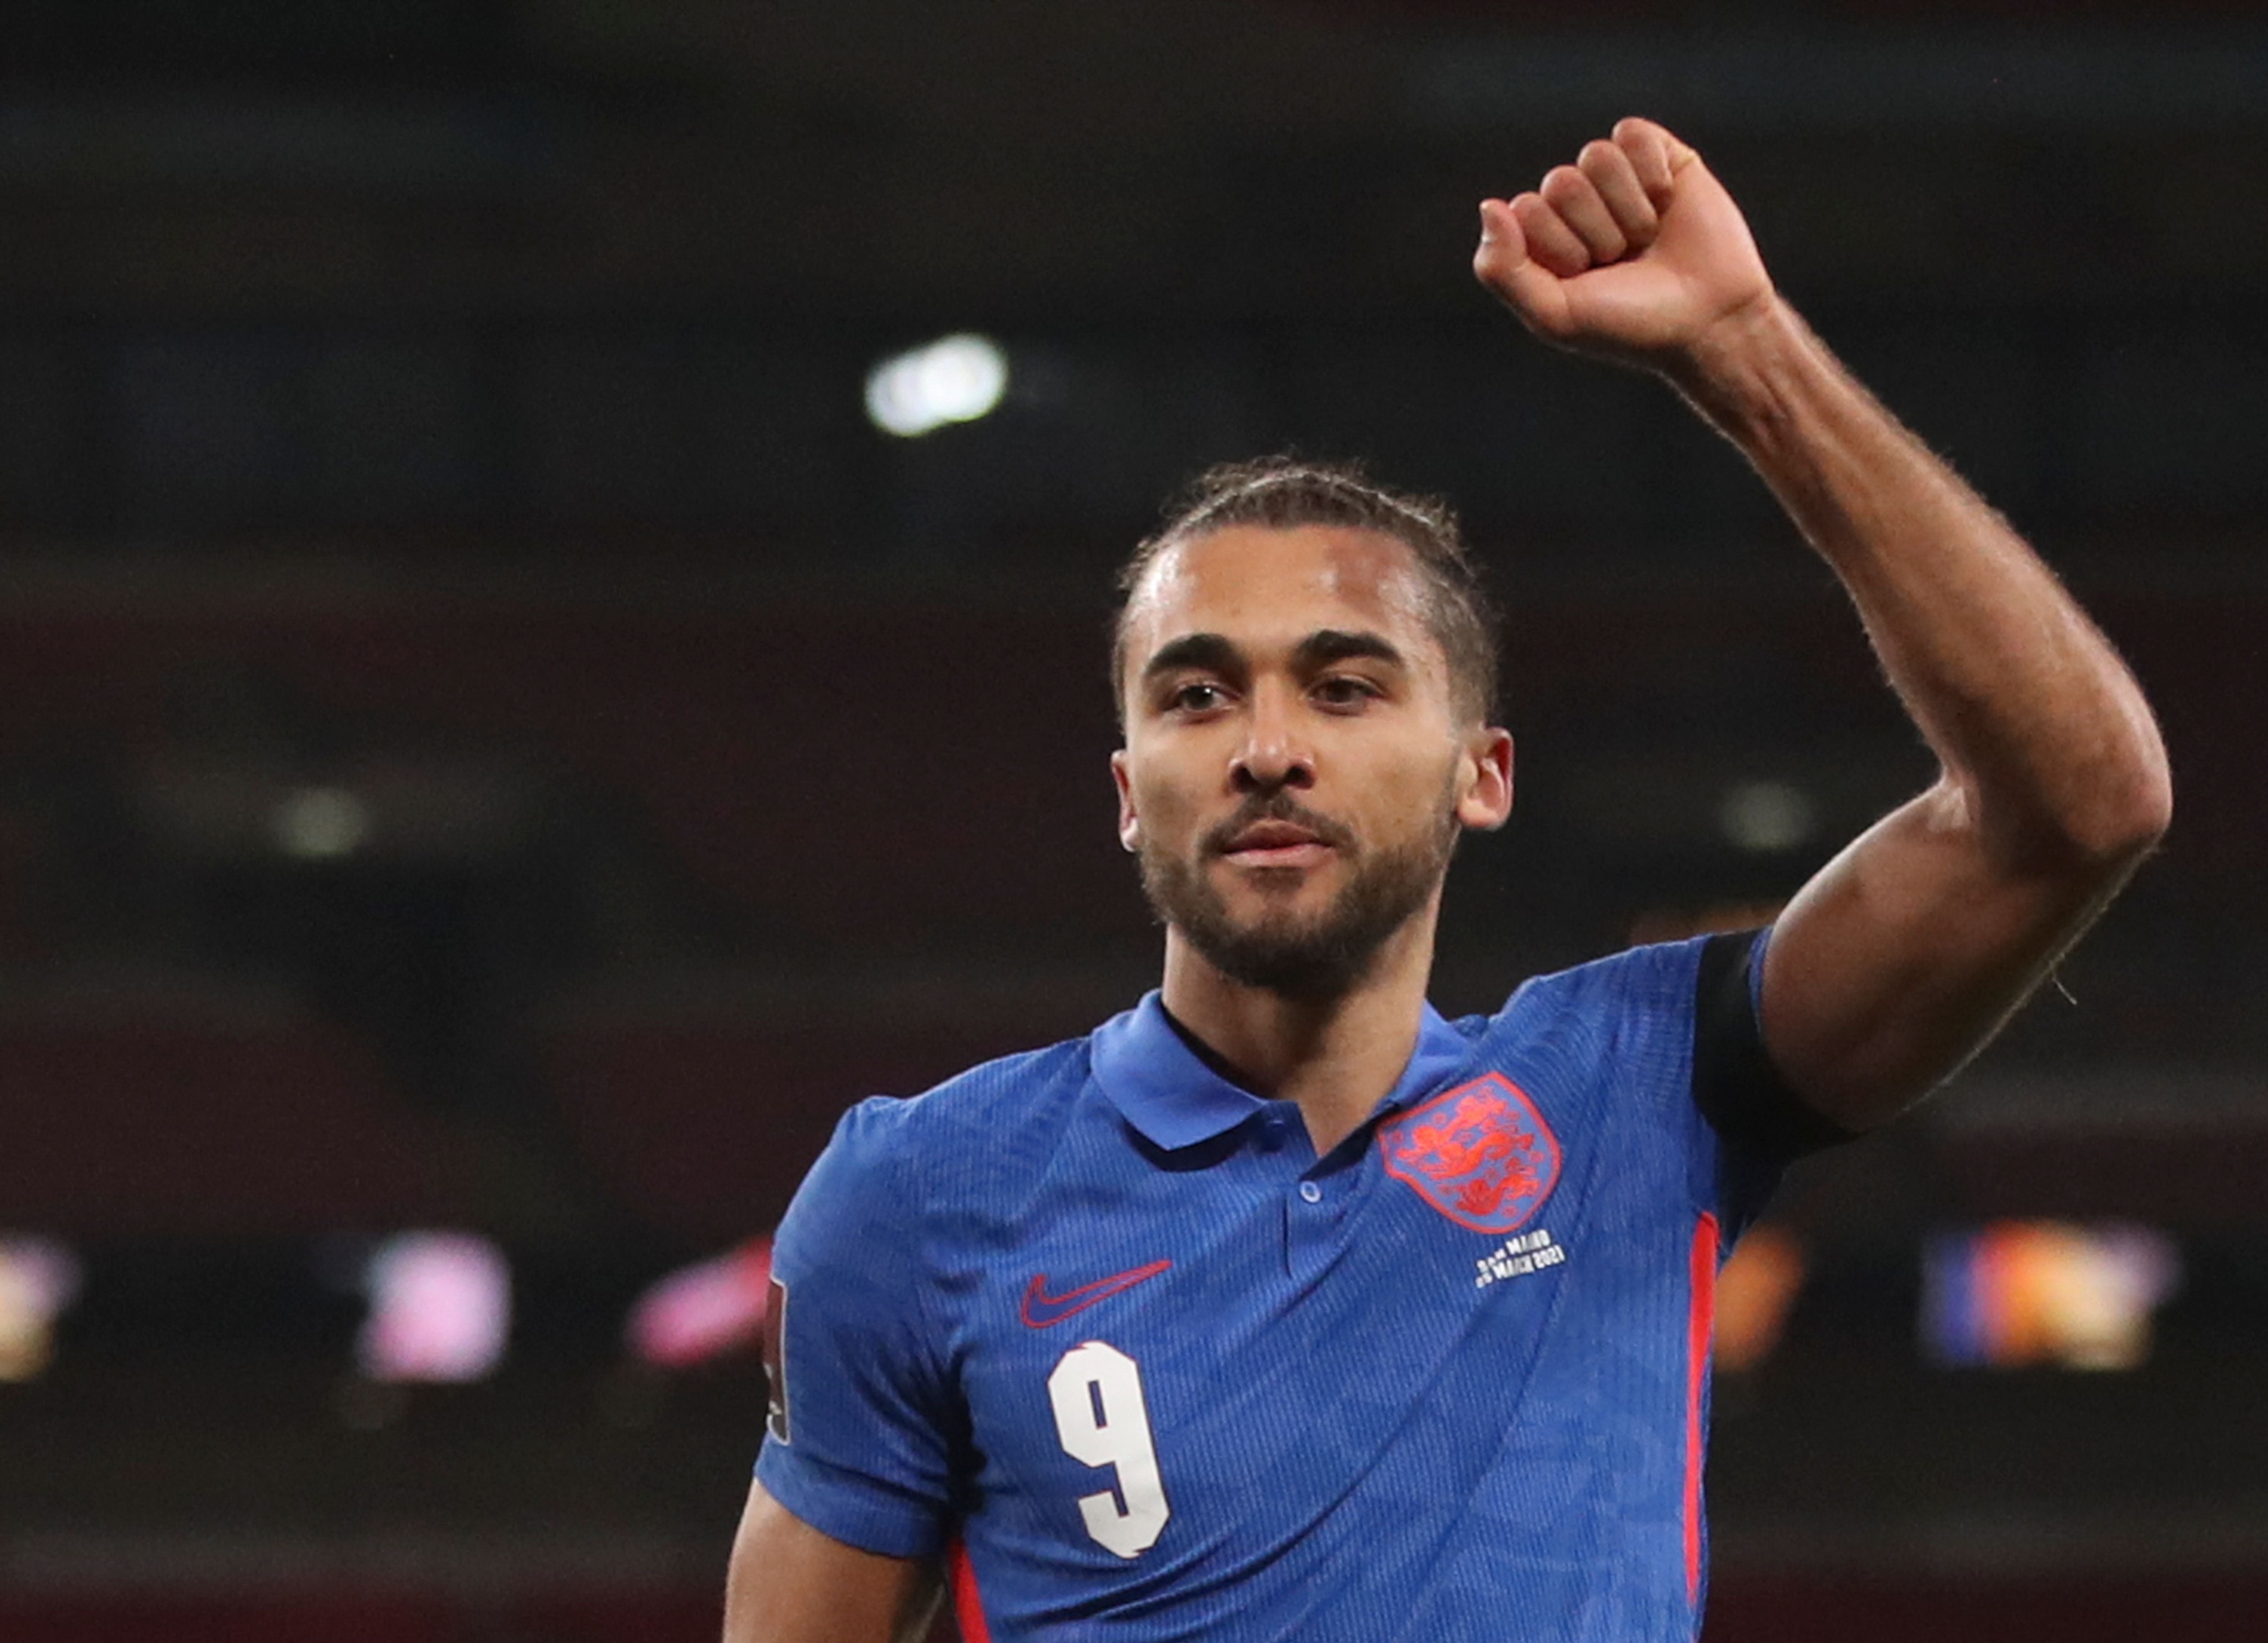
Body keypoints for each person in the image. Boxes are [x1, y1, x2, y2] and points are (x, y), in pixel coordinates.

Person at [721, 118, 2171, 1643]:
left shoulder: (1641, 1088)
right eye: (1199, 695)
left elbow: (2078, 807)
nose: (1268, 747)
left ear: (1486, 774)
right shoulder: (922, 1195)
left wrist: (1746, 354)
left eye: (1345, 688)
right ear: (1126, 794)